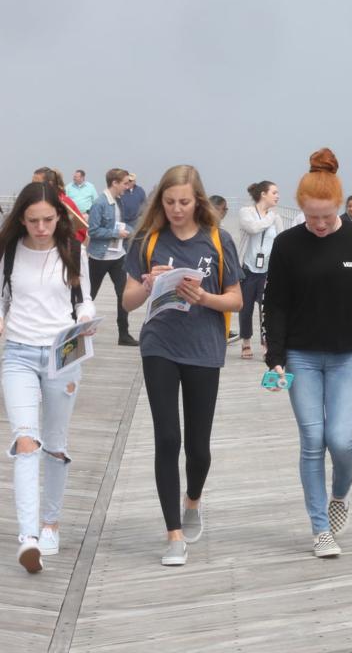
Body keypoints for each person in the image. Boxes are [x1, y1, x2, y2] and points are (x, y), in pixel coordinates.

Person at [263, 149, 352, 559]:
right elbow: (276, 303)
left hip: (347, 355)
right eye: (310, 217)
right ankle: (320, 528)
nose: (319, 225)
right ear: (301, 208)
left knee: (340, 440)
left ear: (340, 208)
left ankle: (339, 496)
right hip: (301, 356)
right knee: (311, 440)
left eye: (326, 216)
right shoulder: (287, 244)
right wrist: (276, 356)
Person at [122, 165, 244, 566]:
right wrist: (149, 282)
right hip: (159, 344)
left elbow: (236, 300)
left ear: (198, 202)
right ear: (161, 202)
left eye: (184, 202)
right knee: (167, 438)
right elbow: (128, 302)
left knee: (198, 447)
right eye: (170, 202)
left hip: (204, 347)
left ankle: (192, 500)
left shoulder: (218, 239)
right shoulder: (148, 239)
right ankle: (173, 534)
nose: (176, 209)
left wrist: (204, 298)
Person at [0, 182, 96, 573]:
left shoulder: (74, 250)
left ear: (60, 217)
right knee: (26, 440)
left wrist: (87, 319)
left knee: (55, 443)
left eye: (48, 220)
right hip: (19, 352)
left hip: (63, 353)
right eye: (33, 220)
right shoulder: (8, 251)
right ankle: (28, 538)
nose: (41, 227)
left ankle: (50, 523)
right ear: (21, 219)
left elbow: (84, 298)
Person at [86, 168, 137, 346]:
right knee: (89, 294)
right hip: (99, 258)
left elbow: (124, 223)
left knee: (122, 295)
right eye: (124, 183)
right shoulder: (100, 203)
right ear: (114, 183)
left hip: (118, 256)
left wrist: (130, 231)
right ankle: (75, 328)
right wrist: (116, 233)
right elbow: (93, 230)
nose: (127, 186)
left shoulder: (119, 201)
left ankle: (123, 334)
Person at [235, 181, 284, 360]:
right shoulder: (246, 212)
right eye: (274, 192)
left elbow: (281, 241)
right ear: (263, 194)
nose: (278, 196)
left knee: (267, 310)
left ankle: (266, 343)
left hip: (267, 271)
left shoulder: (276, 218)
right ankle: (246, 341)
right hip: (247, 269)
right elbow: (253, 228)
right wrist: (270, 218)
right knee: (245, 308)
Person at [32, 168, 87, 242]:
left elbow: (81, 231)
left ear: (50, 183)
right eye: (32, 184)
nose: (33, 187)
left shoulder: (65, 203)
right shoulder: (32, 203)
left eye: (37, 183)